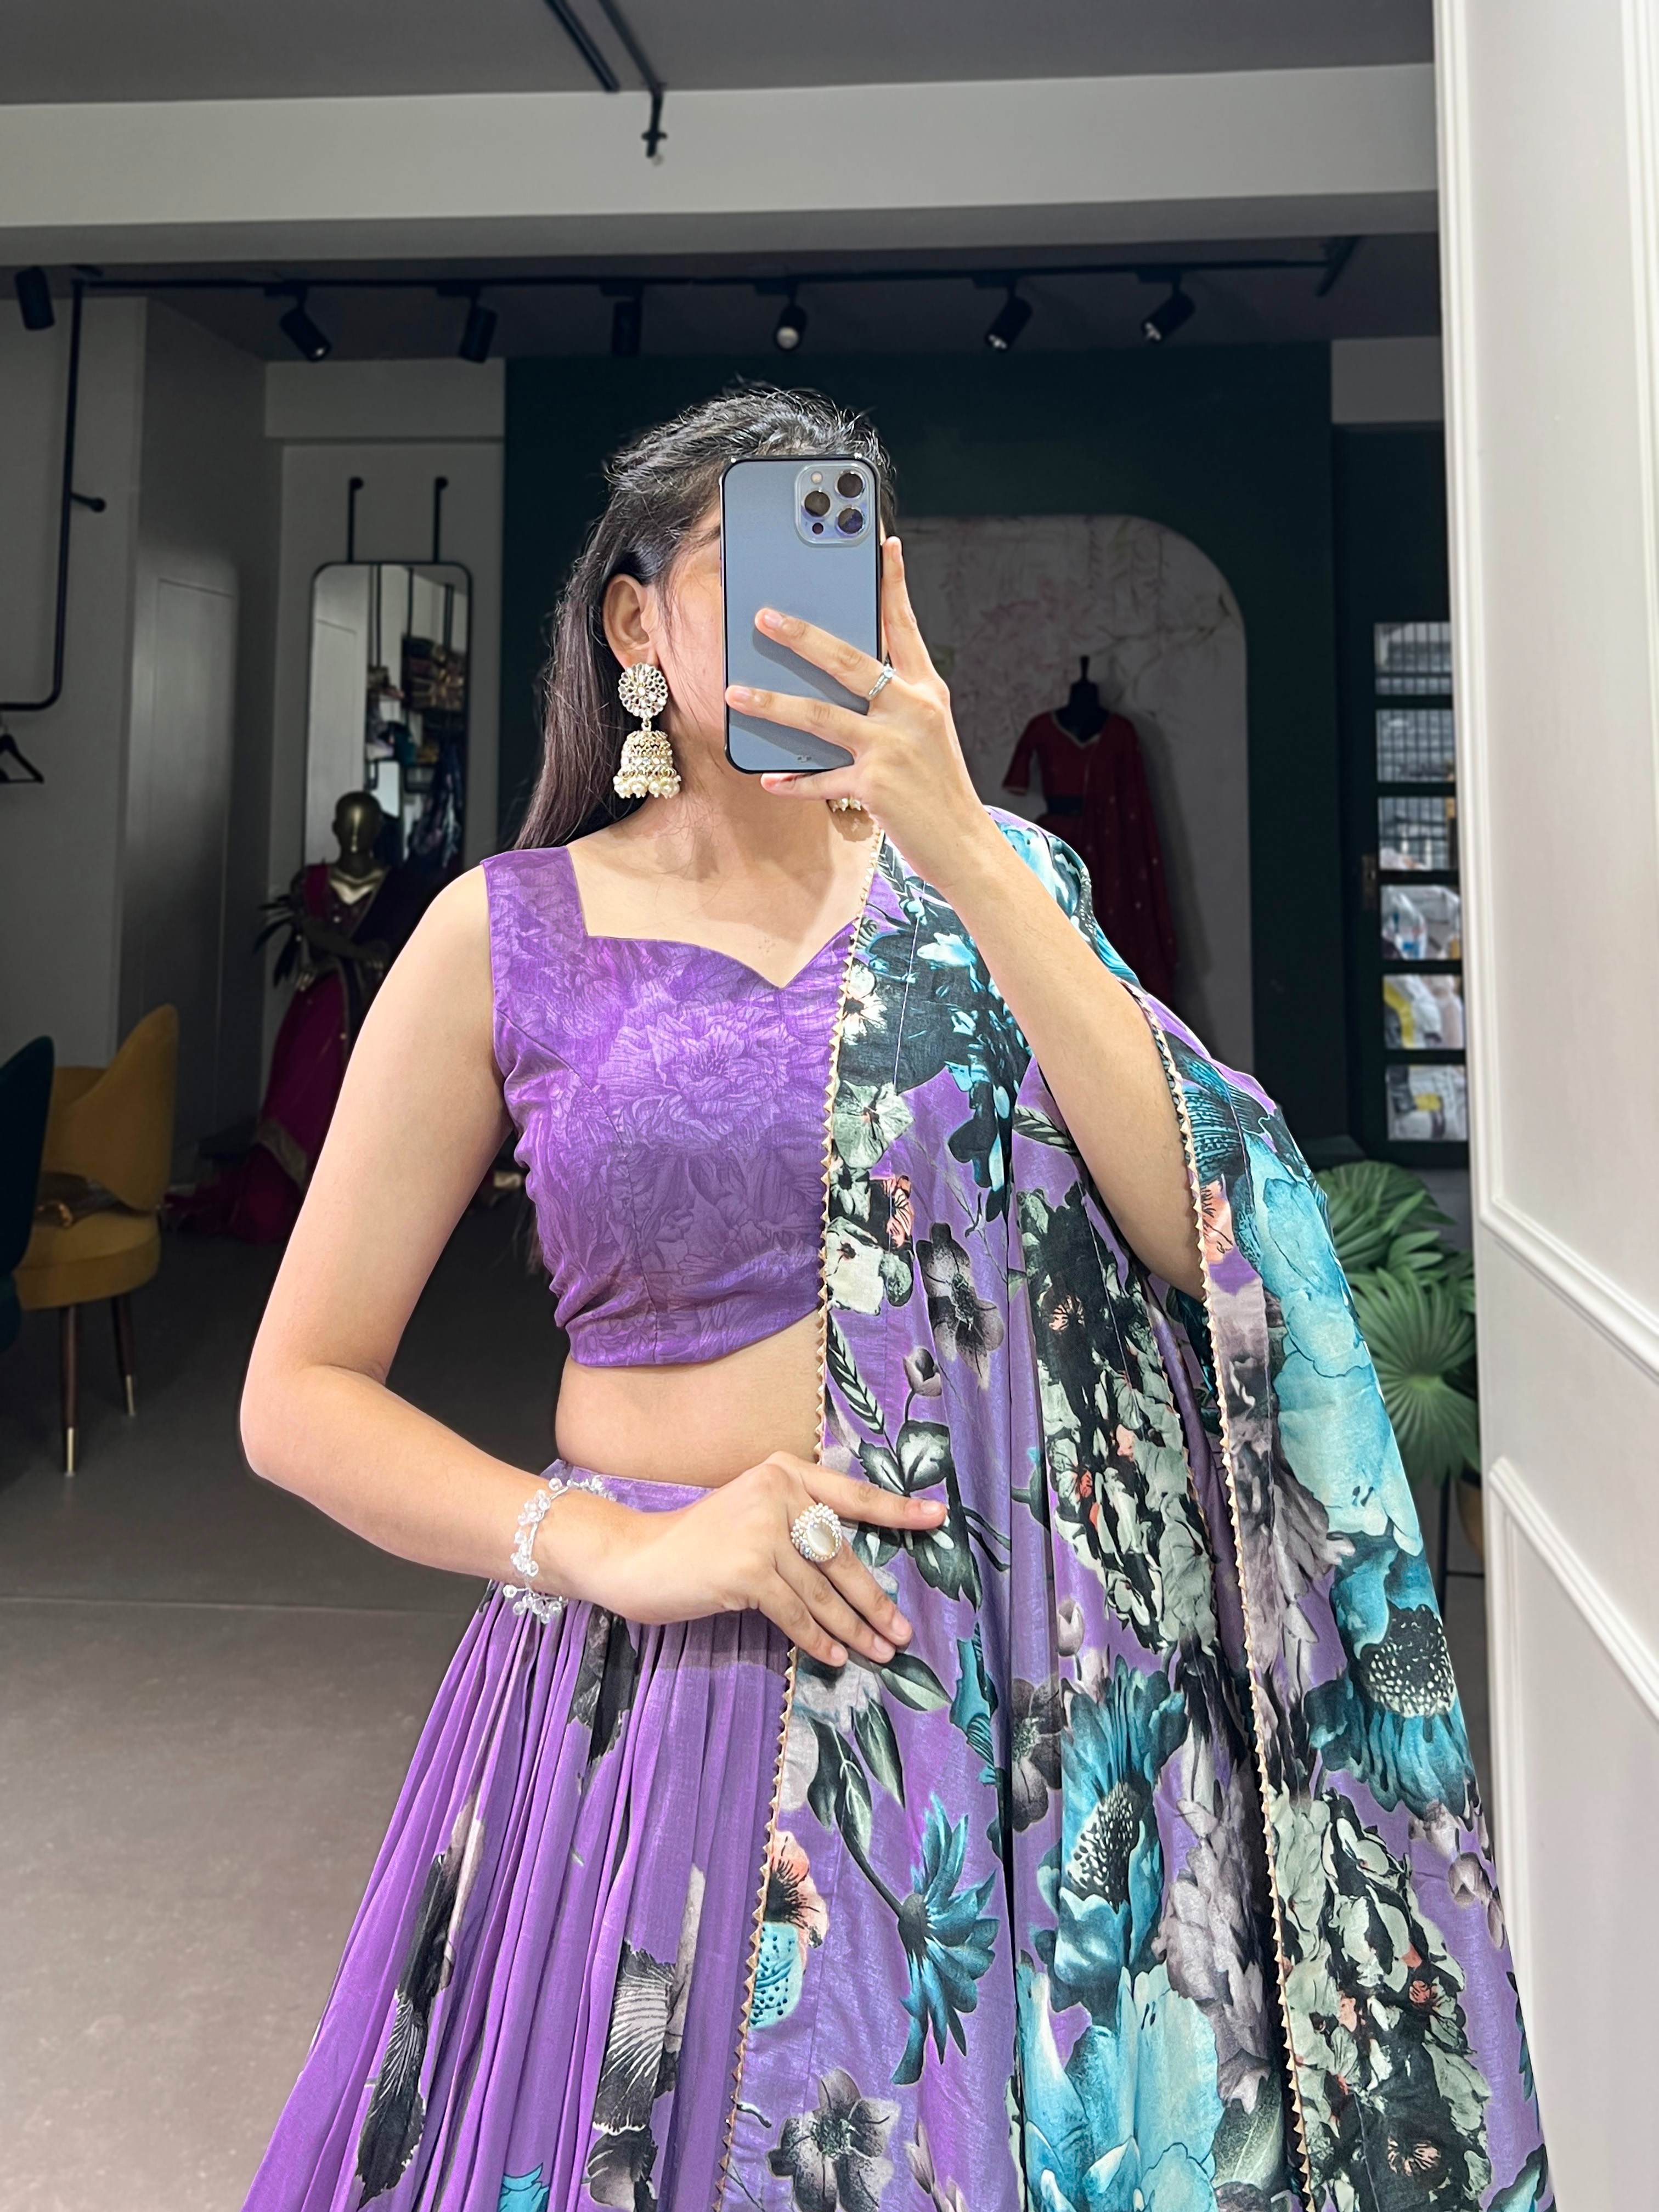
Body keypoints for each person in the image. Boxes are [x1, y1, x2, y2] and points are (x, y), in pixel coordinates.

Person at [239, 390, 1549, 2212]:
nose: (806, 611)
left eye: (839, 560)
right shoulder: (509, 932)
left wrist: (967, 846)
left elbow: (1201, 1225)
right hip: (660, 1694)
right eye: (753, 563)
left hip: (990, 1699)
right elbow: (298, 1391)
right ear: (635, 622)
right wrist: (609, 1548)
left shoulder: (1000, 885)